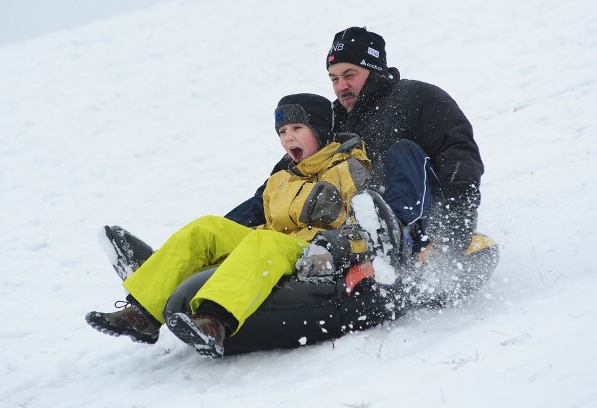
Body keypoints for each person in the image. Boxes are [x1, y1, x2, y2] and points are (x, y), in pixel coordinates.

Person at [85, 93, 371, 358]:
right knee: (206, 229)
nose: (288, 138)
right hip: (269, 243)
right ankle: (141, 316)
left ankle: (213, 322)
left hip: (310, 251)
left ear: (319, 129)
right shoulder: (281, 177)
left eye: (297, 128)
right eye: (282, 132)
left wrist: (335, 244)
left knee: (263, 242)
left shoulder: (346, 168)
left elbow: (367, 225)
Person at [226, 26, 493, 310]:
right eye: (334, 78)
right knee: (276, 190)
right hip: (356, 230)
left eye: (349, 75)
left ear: (375, 69)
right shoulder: (334, 119)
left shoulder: (417, 97)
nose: (341, 86)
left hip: (423, 218)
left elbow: (459, 156)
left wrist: (453, 228)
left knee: (403, 151)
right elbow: (292, 172)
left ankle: (397, 236)